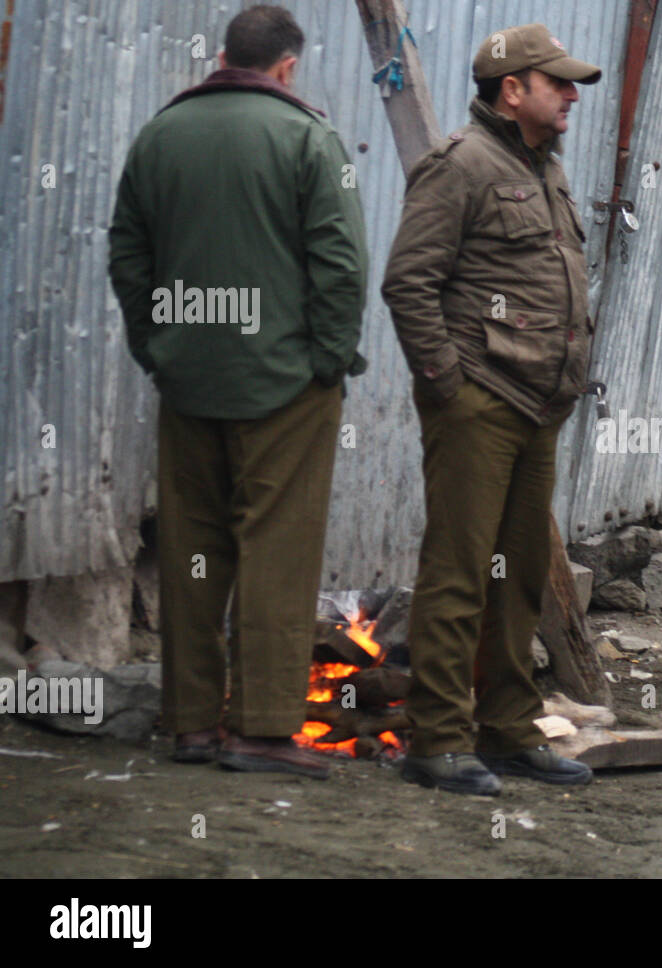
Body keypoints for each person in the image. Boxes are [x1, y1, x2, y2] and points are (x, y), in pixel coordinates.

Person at [108, 5, 368, 779]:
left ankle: (189, 725)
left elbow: (128, 252)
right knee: (275, 551)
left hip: (188, 378)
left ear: (225, 56)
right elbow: (342, 264)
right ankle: (258, 728)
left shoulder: (161, 134)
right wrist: (329, 360)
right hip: (286, 383)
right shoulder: (308, 139)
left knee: (194, 551)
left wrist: (158, 347)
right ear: (287, 67)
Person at [382, 23, 600, 796]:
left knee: (518, 577)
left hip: (540, 406)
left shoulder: (547, 171)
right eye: (559, 83)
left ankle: (508, 729)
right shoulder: (463, 165)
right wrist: (448, 383)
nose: (573, 95)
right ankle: (437, 739)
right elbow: (409, 281)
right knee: (459, 571)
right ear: (513, 90)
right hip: (480, 400)